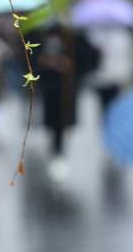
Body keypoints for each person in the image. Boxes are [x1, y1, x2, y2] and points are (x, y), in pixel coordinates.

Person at [31, 24, 99, 179]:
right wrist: (44, 64)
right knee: (53, 120)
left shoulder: (75, 40)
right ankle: (56, 147)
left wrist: (70, 66)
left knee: (61, 120)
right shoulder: (41, 38)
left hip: (66, 88)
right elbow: (31, 59)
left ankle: (58, 148)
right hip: (49, 88)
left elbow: (87, 59)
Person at [87, 25, 133, 121]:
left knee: (116, 106)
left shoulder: (123, 37)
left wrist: (128, 75)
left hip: (117, 77)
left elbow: (130, 57)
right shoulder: (95, 36)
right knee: (103, 107)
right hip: (102, 77)